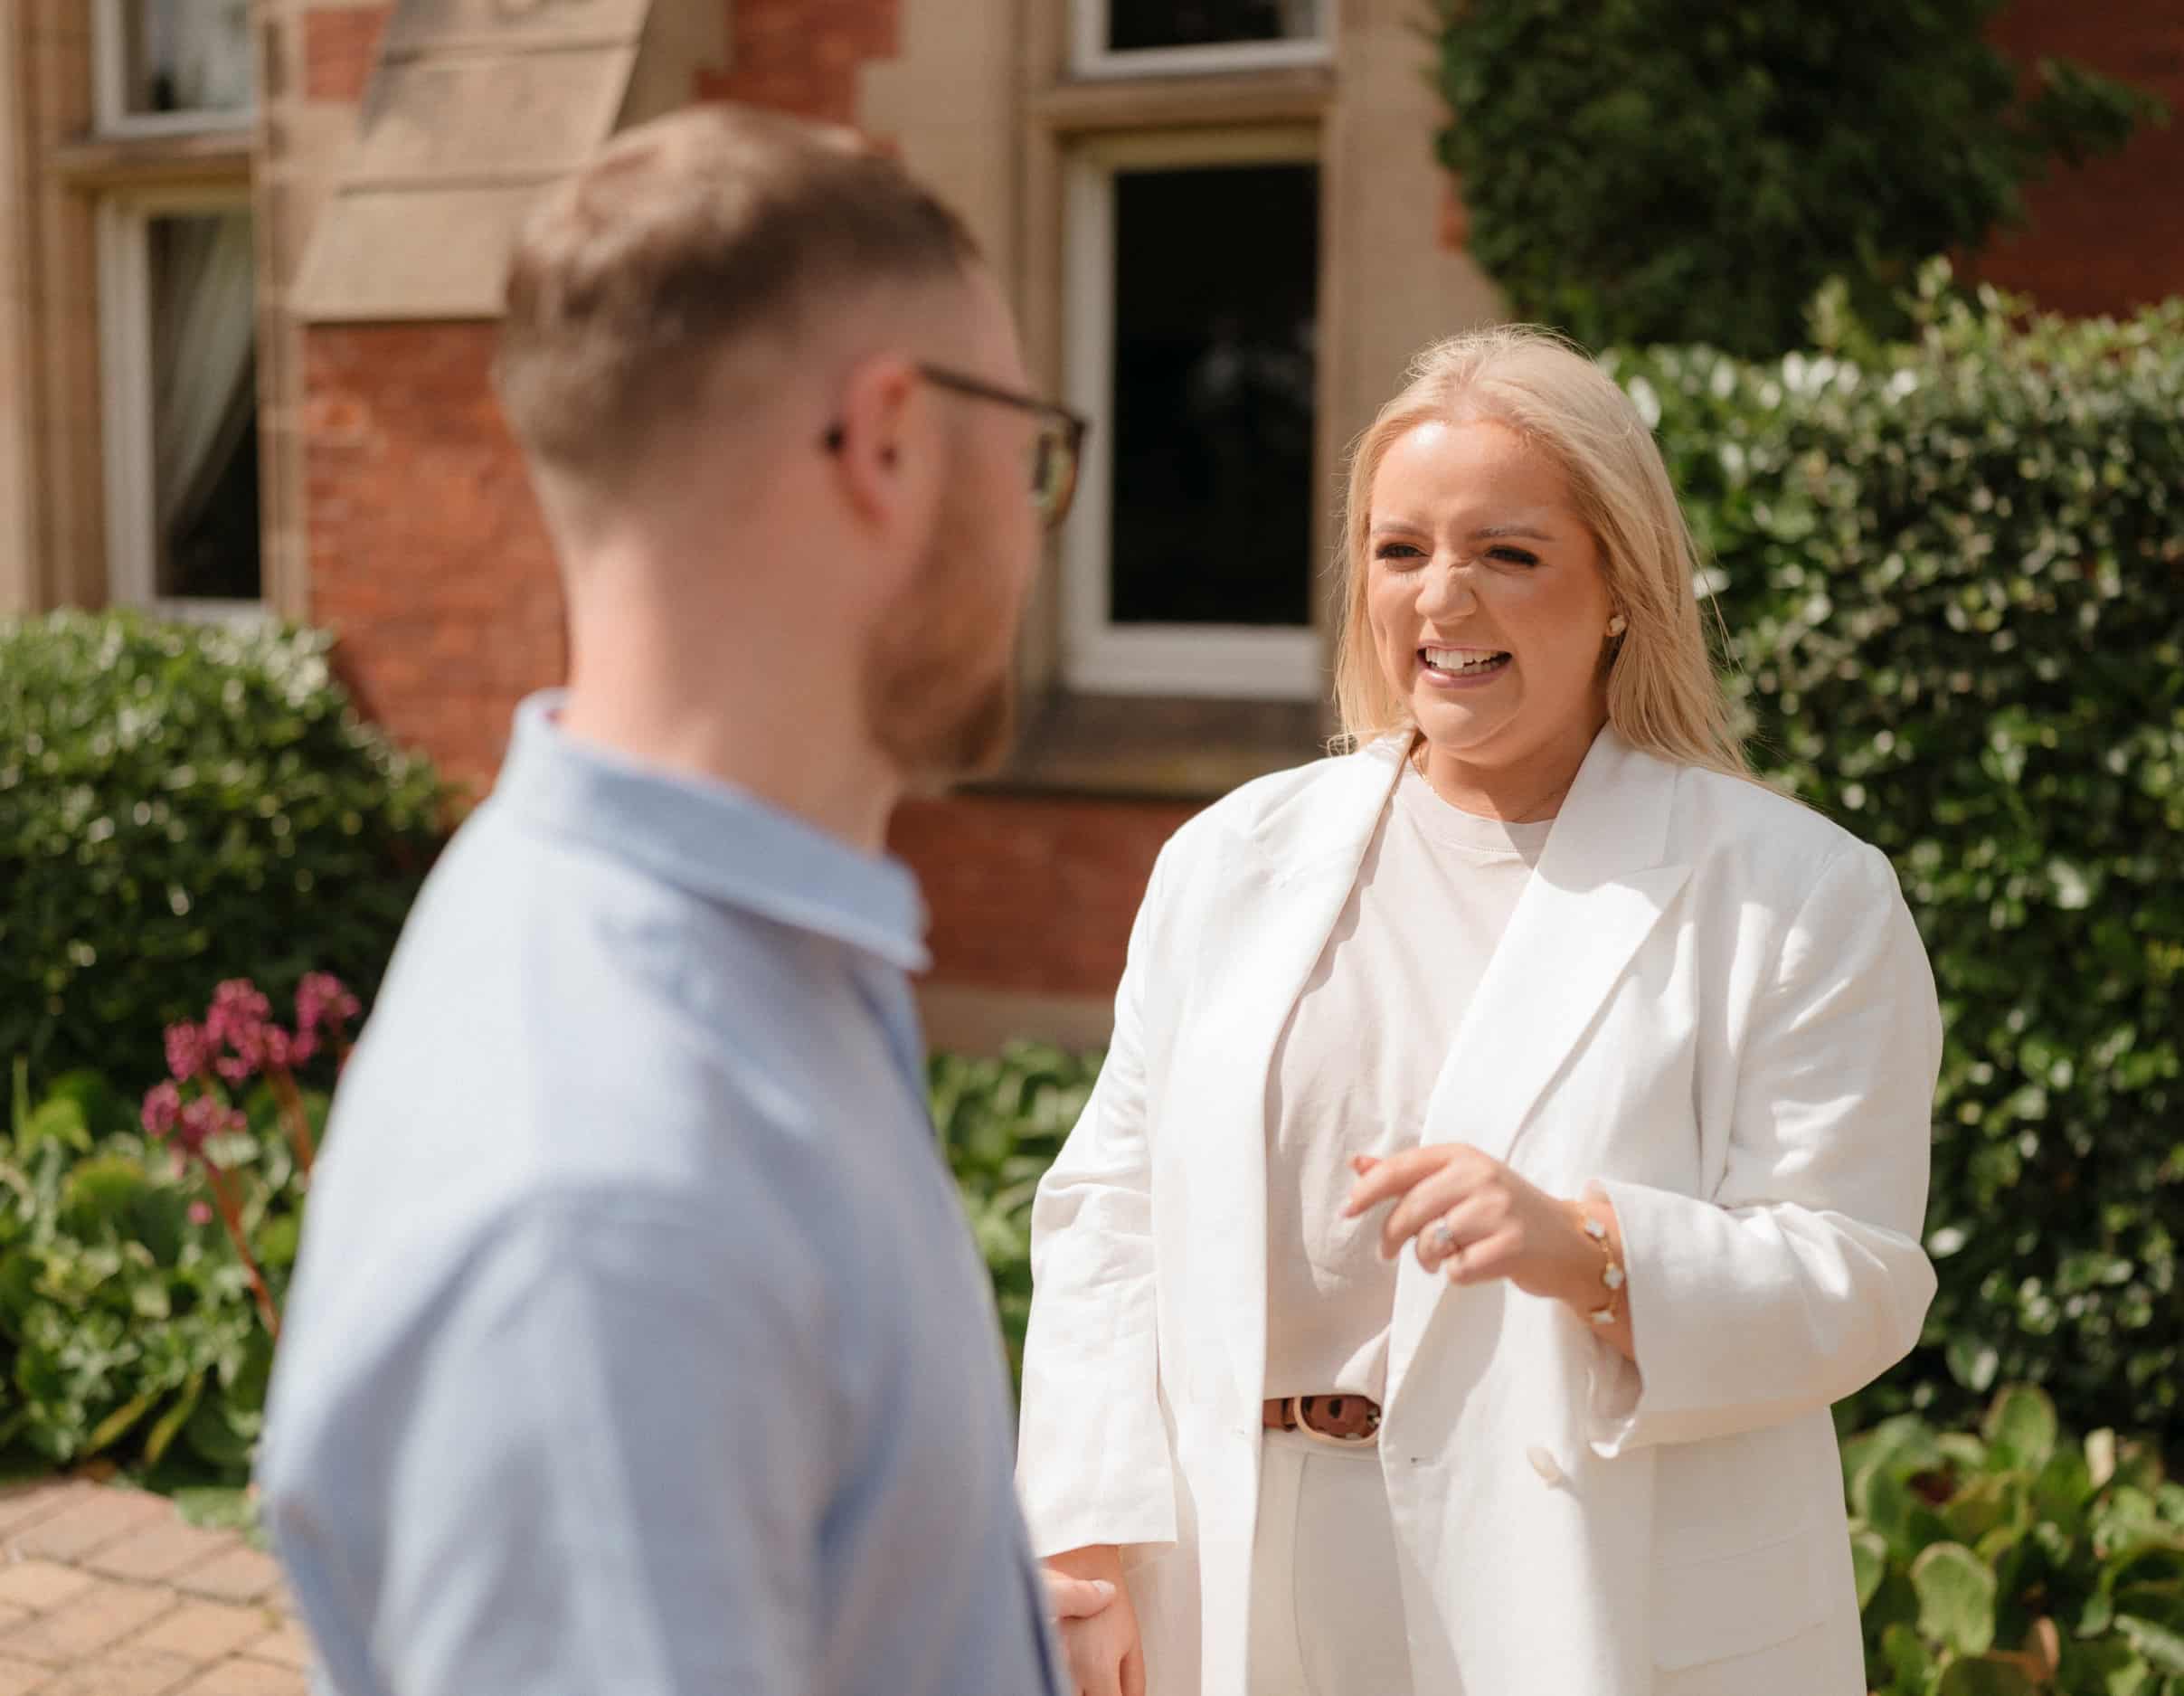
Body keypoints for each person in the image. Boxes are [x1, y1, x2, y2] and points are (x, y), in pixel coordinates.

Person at [259, 106, 1103, 1696]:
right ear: (890, 442)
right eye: (1034, 454)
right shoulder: (611, 1214)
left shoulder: (725, 958)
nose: (1036, 527)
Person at [1018, 324, 1942, 1696]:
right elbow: (1109, 1214)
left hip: (1584, 1590)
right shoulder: (1231, 859)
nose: (1442, 600)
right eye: (1400, 551)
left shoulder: (1798, 894)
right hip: (1236, 1570)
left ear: (1621, 586)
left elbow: (1858, 1279)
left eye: (1508, 554)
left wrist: (1589, 1250)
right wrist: (1083, 1540)